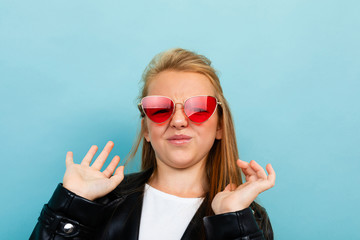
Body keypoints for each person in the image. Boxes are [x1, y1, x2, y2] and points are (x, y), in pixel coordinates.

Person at [30, 48, 276, 240]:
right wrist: (70, 206)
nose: (179, 121)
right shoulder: (101, 203)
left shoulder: (246, 217)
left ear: (220, 126)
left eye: (199, 108)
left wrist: (232, 221)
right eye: (159, 109)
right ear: (146, 128)